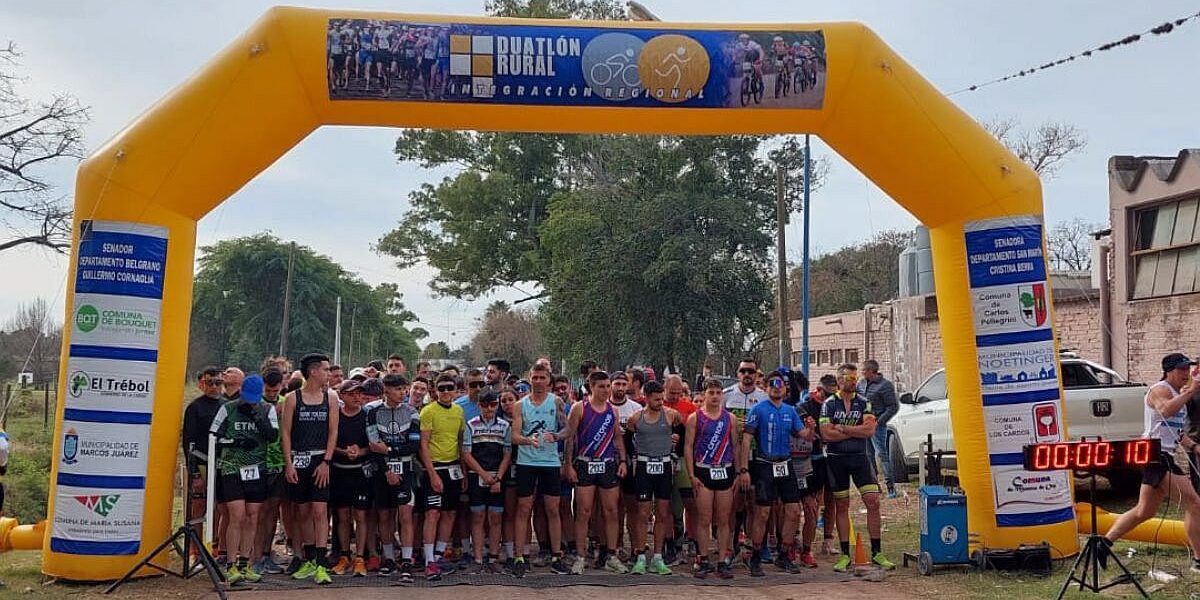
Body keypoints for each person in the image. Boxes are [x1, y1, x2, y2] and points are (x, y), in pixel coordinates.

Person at [1104, 353, 1200, 571]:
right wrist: (1192, 391)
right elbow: (1165, 410)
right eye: (1182, 369)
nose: (1186, 373)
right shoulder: (1159, 389)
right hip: (1154, 455)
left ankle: (1105, 543)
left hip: (1162, 454)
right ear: (1169, 371)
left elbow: (1175, 431)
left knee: (1144, 512)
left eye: (1188, 369)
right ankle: (1198, 560)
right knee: (1195, 503)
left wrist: (1194, 447)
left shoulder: (1179, 395)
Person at [820, 363, 894, 571]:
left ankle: (877, 552)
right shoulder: (828, 404)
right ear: (840, 380)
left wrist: (843, 428)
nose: (853, 382)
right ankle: (845, 554)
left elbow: (870, 430)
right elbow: (826, 434)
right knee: (842, 505)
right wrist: (855, 430)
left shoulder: (863, 402)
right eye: (849, 378)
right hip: (836, 459)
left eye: (855, 378)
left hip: (860, 457)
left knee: (873, 501)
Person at [209, 374, 278, 585]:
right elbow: (213, 435)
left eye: (253, 398)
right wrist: (234, 442)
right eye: (247, 397)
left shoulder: (267, 408)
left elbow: (273, 435)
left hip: (256, 469)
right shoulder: (228, 408)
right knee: (236, 516)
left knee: (252, 516)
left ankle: (244, 563)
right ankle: (230, 564)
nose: (249, 401)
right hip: (231, 468)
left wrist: (257, 417)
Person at [741, 370, 812, 575]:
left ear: (785, 388)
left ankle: (784, 553)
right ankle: (755, 555)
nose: (776, 387)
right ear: (766, 387)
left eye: (779, 384)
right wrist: (744, 468)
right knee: (763, 512)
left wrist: (810, 429)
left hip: (785, 463)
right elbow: (746, 439)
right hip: (764, 464)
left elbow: (803, 435)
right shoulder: (758, 409)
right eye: (772, 384)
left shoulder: (790, 411)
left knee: (793, 510)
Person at [281, 353, 340, 584]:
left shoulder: (331, 397)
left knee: (319, 510)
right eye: (325, 369)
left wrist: (326, 461)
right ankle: (307, 557)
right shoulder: (293, 398)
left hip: (320, 460)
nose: (328, 374)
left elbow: (333, 431)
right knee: (303, 511)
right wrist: (289, 464)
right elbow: (285, 432)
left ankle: (321, 561)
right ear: (314, 371)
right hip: (298, 459)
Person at [509, 363, 570, 577]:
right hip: (527, 462)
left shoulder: (556, 402)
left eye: (542, 378)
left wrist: (557, 436)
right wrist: (528, 440)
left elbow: (567, 429)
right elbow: (514, 435)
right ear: (530, 379)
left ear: (549, 381)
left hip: (550, 462)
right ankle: (519, 557)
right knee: (524, 508)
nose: (538, 382)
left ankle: (556, 555)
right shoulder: (520, 405)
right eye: (535, 378)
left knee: (552, 508)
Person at [565, 370, 629, 574]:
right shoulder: (579, 408)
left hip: (608, 464)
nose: (605, 390)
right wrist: (568, 465)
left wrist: (623, 461)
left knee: (611, 511)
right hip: (585, 463)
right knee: (584, 512)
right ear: (591, 387)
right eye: (601, 386)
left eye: (607, 386)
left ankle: (611, 554)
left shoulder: (613, 411)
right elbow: (569, 437)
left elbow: (617, 437)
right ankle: (580, 556)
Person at [685, 378, 742, 580]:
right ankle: (702, 558)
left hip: (725, 471)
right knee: (704, 519)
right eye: (712, 392)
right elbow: (688, 447)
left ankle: (722, 560)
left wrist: (737, 473)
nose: (716, 396)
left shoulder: (730, 419)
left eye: (719, 393)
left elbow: (735, 446)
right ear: (704, 394)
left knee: (724, 519)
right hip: (703, 470)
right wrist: (692, 475)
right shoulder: (695, 418)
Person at [368, 373, 421, 581]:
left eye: (404, 389)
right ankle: (389, 559)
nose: (403, 393)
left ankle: (407, 560)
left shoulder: (412, 412)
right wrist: (387, 469)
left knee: (406, 515)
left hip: (406, 470)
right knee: (384, 516)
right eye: (398, 389)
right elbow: (373, 447)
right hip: (382, 472)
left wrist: (388, 449)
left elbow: (414, 445)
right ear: (386, 390)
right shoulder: (373, 413)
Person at [626, 380, 682, 575]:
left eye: (662, 398)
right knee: (642, 513)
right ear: (647, 398)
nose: (660, 402)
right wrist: (631, 460)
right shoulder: (635, 418)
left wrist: (675, 443)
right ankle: (640, 555)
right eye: (656, 399)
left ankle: (658, 556)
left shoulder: (671, 415)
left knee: (663, 513)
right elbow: (627, 441)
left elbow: (681, 434)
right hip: (643, 466)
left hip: (664, 466)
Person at [419, 373, 467, 580]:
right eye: (442, 389)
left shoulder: (459, 410)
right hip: (435, 467)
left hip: (454, 467)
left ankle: (438, 556)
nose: (446, 392)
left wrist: (463, 471)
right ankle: (429, 560)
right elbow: (423, 445)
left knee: (449, 513)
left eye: (450, 388)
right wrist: (431, 474)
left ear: (456, 390)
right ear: (435, 392)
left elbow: (460, 441)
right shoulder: (428, 411)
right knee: (432, 514)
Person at [462, 389, 512, 573]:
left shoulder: (504, 426)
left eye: (492, 404)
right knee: (477, 516)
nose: (489, 408)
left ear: (497, 405)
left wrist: (498, 477)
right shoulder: (471, 424)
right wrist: (483, 474)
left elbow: (507, 454)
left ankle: (493, 556)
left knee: (496, 516)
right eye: (485, 404)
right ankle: (477, 558)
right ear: (479, 405)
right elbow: (466, 454)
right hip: (478, 476)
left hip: (497, 476)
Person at [329, 379, 374, 577]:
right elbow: (329, 441)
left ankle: (360, 557)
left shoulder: (367, 416)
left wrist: (360, 451)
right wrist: (343, 451)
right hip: (340, 471)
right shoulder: (335, 416)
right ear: (342, 396)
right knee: (343, 516)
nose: (357, 397)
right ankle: (344, 555)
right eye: (352, 393)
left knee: (361, 516)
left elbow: (374, 444)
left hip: (361, 473)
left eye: (359, 393)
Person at [182, 366, 226, 558]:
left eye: (218, 383)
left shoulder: (226, 405)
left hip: (222, 462)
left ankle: (216, 546)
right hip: (200, 461)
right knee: (198, 506)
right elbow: (187, 441)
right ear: (201, 384)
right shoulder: (195, 407)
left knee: (219, 506)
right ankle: (196, 550)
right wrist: (194, 473)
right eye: (210, 383)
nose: (214, 387)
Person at [252, 368, 287, 575]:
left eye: (276, 390)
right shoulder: (254, 403)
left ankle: (267, 553)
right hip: (258, 462)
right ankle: (255, 557)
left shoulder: (285, 402)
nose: (273, 394)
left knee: (272, 511)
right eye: (269, 390)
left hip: (279, 462)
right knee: (258, 511)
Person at [799, 374, 836, 563]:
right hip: (811, 459)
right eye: (827, 394)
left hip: (830, 457)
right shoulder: (805, 407)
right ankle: (806, 544)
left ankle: (828, 539)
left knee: (832, 498)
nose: (830, 398)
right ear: (819, 390)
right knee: (812, 502)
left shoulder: (835, 406)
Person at [664, 375, 698, 564]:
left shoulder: (689, 407)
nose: (675, 396)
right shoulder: (657, 404)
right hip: (661, 458)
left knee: (689, 501)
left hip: (683, 459)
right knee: (666, 504)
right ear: (664, 389)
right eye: (672, 393)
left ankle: (691, 538)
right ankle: (670, 544)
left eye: (679, 393)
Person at [859, 360, 899, 497]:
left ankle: (890, 487)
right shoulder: (861, 384)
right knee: (868, 455)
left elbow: (892, 407)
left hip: (877, 426)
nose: (862, 372)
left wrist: (878, 421)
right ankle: (874, 485)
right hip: (864, 425)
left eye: (864, 370)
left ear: (871, 371)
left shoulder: (885, 385)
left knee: (882, 455)